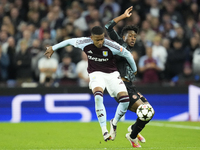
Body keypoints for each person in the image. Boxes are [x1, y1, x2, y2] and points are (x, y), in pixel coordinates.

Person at [44, 26, 137, 142]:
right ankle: (104, 130)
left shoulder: (111, 45)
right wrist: (53, 47)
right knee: (98, 96)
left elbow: (128, 54)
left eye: (102, 39)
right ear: (91, 38)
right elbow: (69, 41)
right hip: (96, 73)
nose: (100, 42)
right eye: (97, 39)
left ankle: (114, 122)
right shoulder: (84, 42)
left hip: (112, 73)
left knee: (125, 101)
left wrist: (134, 69)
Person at [105, 6, 154, 148]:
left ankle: (132, 133)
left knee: (149, 112)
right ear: (124, 36)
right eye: (130, 36)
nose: (133, 38)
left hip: (130, 86)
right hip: (121, 86)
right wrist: (123, 16)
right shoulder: (120, 44)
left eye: (135, 37)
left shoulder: (130, 51)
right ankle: (128, 132)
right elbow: (108, 26)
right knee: (145, 112)